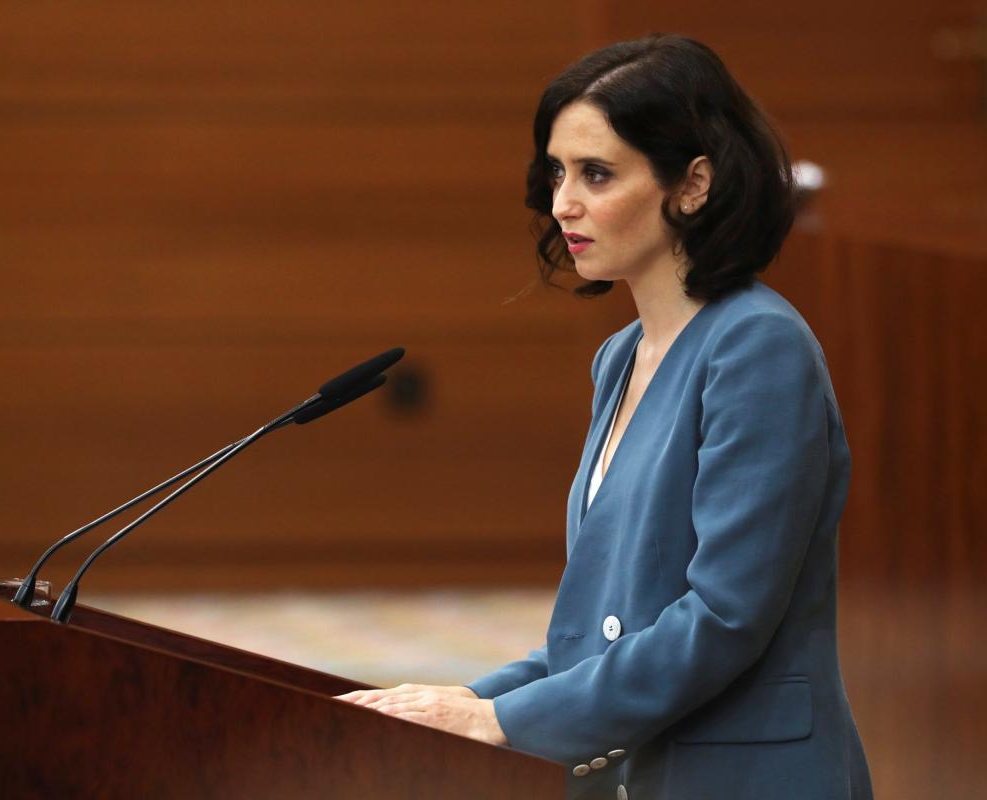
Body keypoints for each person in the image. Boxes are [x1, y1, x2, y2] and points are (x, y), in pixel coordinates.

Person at [336, 33, 873, 800]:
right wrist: (473, 702)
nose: (562, 202)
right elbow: (610, 623)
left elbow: (724, 617)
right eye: (557, 172)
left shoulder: (759, 347)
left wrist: (501, 720)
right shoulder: (621, 358)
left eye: (596, 173)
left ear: (693, 184)